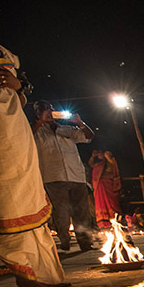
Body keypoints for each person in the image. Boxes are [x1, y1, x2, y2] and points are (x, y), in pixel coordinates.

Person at [0, 0, 67, 287]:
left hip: (12, 131)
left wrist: (17, 86)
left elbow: (19, 93)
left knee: (21, 196)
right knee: (5, 200)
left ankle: (37, 274)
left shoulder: (3, 51)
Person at [31, 100, 98, 252]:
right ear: (38, 113)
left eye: (50, 109)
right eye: (44, 110)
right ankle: (64, 241)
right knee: (61, 212)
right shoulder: (36, 131)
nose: (48, 112)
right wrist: (41, 121)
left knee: (81, 211)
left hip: (76, 175)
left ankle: (86, 242)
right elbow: (27, 136)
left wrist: (80, 122)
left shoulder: (66, 129)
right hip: (53, 177)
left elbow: (89, 136)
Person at [88, 150, 123, 229]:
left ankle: (114, 221)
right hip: (99, 187)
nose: (100, 154)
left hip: (109, 186)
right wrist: (93, 157)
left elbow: (114, 169)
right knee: (100, 204)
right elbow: (91, 164)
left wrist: (109, 158)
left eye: (101, 153)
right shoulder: (99, 164)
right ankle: (103, 223)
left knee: (112, 203)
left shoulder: (111, 162)